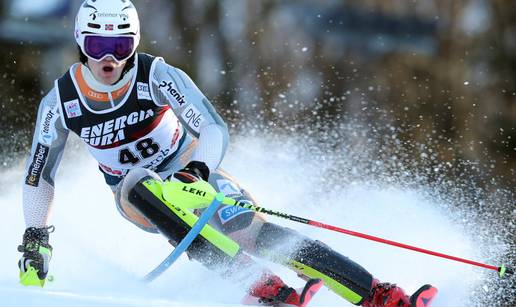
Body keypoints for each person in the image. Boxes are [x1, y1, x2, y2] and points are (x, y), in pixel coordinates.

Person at [18, 1, 436, 306]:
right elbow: (40, 173)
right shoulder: (61, 100)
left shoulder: (156, 75)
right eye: (96, 45)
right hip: (139, 200)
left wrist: (196, 171)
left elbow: (212, 126)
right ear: (80, 42)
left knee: (249, 227)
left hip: (190, 174)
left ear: (135, 43)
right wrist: (36, 236)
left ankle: (376, 293)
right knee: (136, 182)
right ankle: (260, 285)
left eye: (120, 45)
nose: (108, 58)